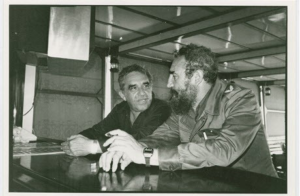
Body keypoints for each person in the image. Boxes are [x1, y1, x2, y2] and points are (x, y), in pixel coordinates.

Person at [100, 44, 278, 177]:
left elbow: (223, 150)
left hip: (256, 187)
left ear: (197, 77)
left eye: (174, 76)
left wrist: (145, 155)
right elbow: (160, 138)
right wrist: (129, 149)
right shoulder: (182, 109)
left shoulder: (240, 100)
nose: (169, 84)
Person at [61, 64, 171, 156]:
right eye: (134, 88)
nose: (142, 93)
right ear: (123, 95)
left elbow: (141, 139)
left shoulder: (162, 109)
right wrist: (76, 140)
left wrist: (91, 146)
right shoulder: (121, 109)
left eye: (146, 86)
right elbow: (97, 131)